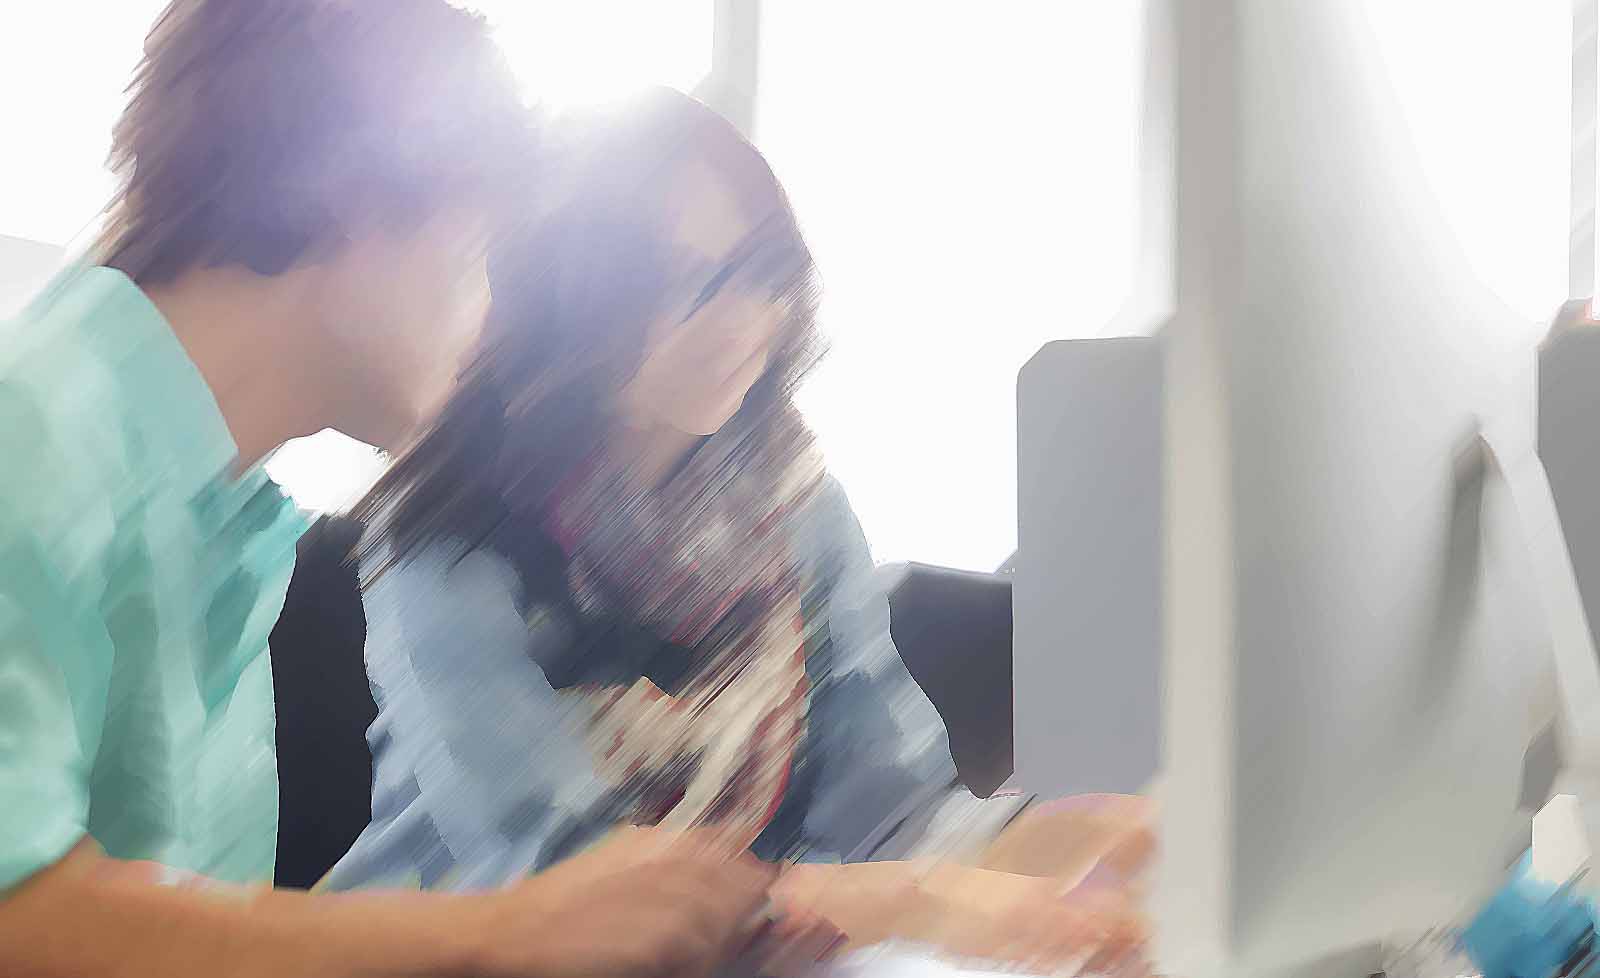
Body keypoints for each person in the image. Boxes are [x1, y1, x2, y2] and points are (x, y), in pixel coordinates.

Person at [288, 87, 1152, 971]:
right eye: (683, 286)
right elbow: (564, 886)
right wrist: (911, 899)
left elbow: (891, 812)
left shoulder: (796, 511)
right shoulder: (444, 542)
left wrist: (1066, 842)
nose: (740, 321)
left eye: (760, 273)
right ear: (566, 300)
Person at [0, 5, 784, 978]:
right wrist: (503, 930)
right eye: (483, 253)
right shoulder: (30, 435)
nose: (494, 318)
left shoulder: (220, 520)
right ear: (358, 187)